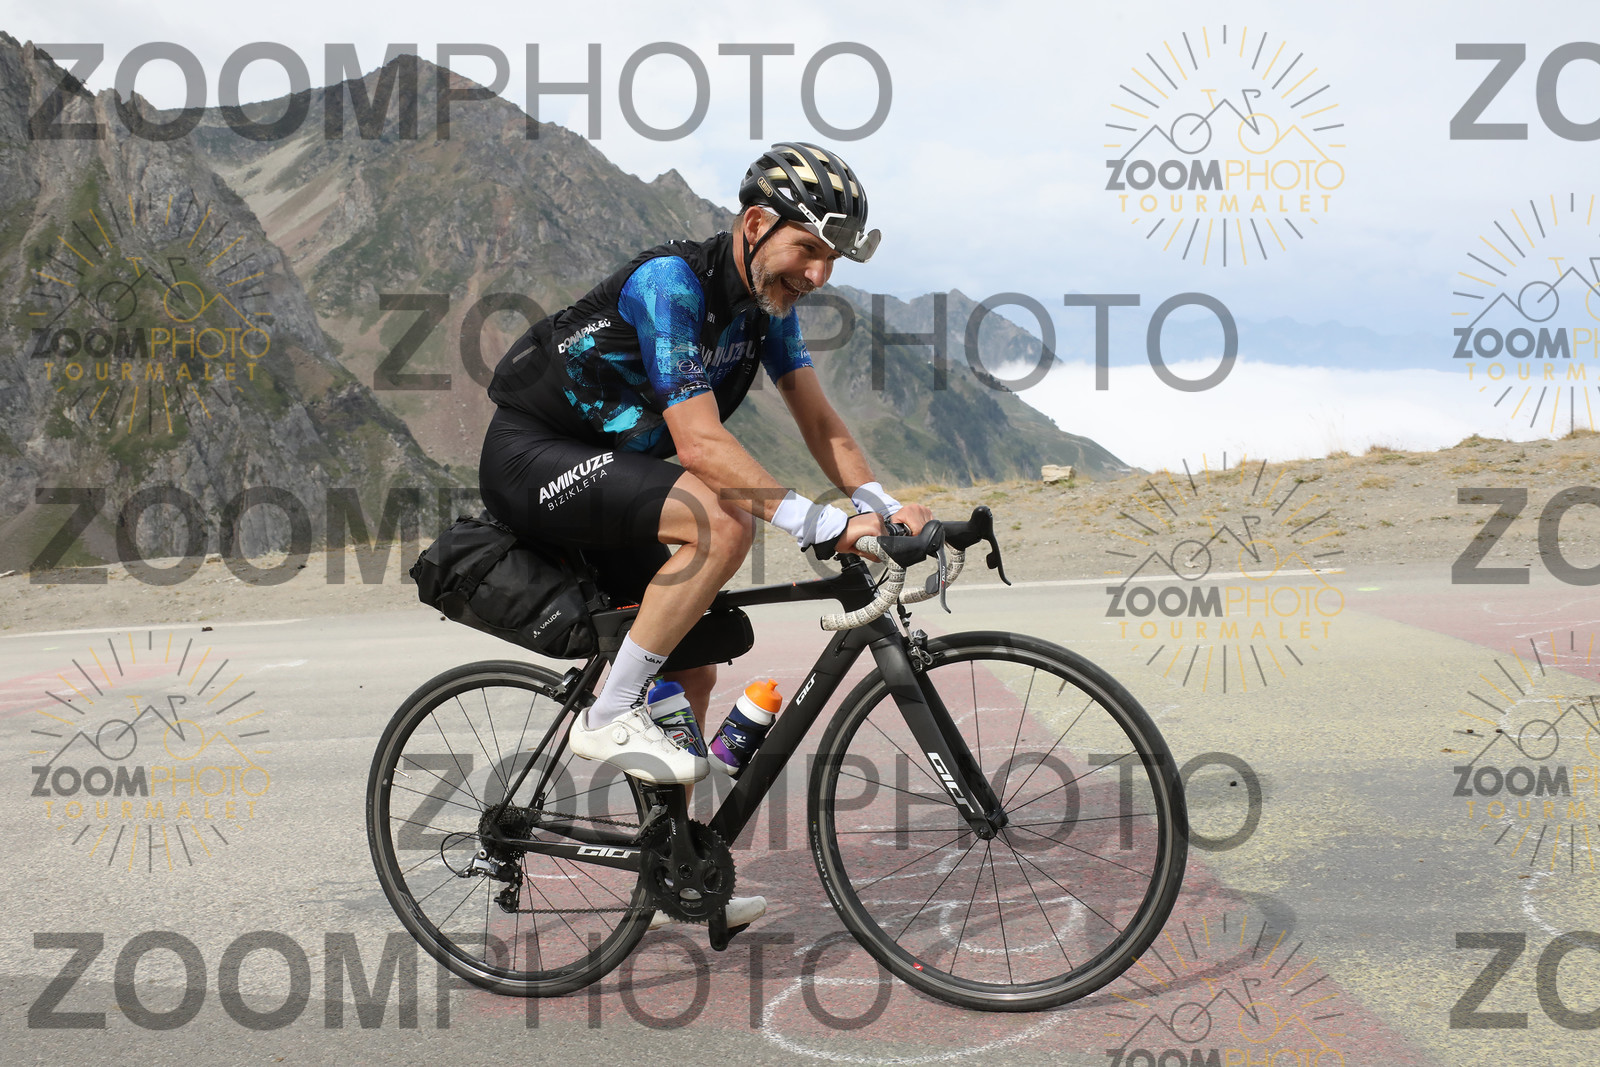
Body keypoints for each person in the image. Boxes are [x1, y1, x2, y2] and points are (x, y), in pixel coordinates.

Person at [479, 141, 930, 929]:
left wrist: (881, 504)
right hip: (533, 457)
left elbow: (819, 420)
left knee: (689, 674)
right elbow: (698, 443)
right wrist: (822, 523)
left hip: (614, 476)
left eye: (831, 260)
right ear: (755, 225)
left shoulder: (766, 310)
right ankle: (606, 713)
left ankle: (677, 869)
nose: (819, 274)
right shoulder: (670, 285)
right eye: (808, 249)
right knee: (720, 518)